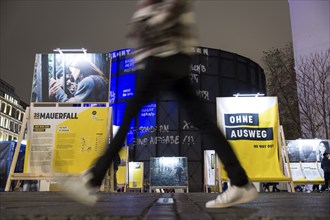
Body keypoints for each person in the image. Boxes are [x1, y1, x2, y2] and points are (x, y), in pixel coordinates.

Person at [61, 0, 258, 208]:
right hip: (172, 57)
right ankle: (241, 182)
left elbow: (170, 12)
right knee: (203, 121)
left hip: (162, 56)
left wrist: (148, 28)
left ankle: (93, 179)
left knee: (129, 115)